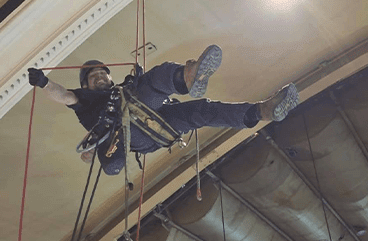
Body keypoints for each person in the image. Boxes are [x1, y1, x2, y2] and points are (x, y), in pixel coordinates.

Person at [27, 45, 298, 175]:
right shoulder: (85, 101)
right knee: (141, 96)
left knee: (199, 110)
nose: (99, 77)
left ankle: (260, 111)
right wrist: (44, 83)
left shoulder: (125, 87)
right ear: (86, 85)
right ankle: (187, 77)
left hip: (160, 119)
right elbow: (62, 95)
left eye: (102, 73)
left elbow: (142, 91)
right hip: (130, 134)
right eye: (93, 76)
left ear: (110, 77)